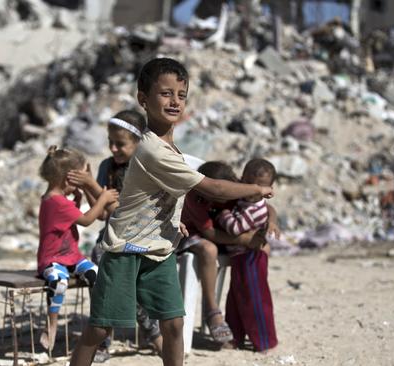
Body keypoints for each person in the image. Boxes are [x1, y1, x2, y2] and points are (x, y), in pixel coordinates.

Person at [69, 57, 273, 366]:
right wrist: (255, 190)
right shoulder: (152, 149)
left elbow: (165, 197)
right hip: (126, 249)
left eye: (181, 94)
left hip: (160, 250)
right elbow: (213, 189)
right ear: (143, 99)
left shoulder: (172, 149)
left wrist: (175, 222)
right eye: (165, 93)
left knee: (175, 324)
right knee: (99, 328)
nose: (174, 101)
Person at [67, 110, 163, 362]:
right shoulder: (107, 166)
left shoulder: (142, 168)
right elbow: (100, 213)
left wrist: (92, 185)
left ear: (138, 142)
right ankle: (103, 340)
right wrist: (87, 185)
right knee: (97, 268)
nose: (113, 148)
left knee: (127, 280)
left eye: (120, 144)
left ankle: (153, 335)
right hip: (110, 237)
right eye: (110, 142)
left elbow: (118, 209)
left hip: (139, 238)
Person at [178, 161, 277, 345]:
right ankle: (212, 311)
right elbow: (209, 234)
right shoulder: (197, 197)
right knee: (209, 249)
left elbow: (265, 206)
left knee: (263, 249)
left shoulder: (237, 188)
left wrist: (271, 222)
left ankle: (248, 319)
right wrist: (245, 240)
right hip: (189, 234)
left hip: (226, 235)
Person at [37, 146, 119, 351]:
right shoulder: (57, 202)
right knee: (59, 281)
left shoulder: (55, 198)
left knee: (95, 273)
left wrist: (78, 198)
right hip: (52, 259)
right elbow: (87, 219)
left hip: (71, 256)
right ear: (68, 180)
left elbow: (71, 216)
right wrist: (103, 199)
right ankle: (52, 325)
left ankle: (98, 323)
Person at [224, 158, 279, 352]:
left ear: (269, 190)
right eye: (250, 185)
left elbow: (235, 228)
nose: (255, 191)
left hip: (252, 257)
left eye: (260, 188)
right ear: (242, 181)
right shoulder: (242, 200)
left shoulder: (256, 209)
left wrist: (222, 216)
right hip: (240, 257)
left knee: (255, 298)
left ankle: (264, 340)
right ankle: (235, 336)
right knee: (236, 298)